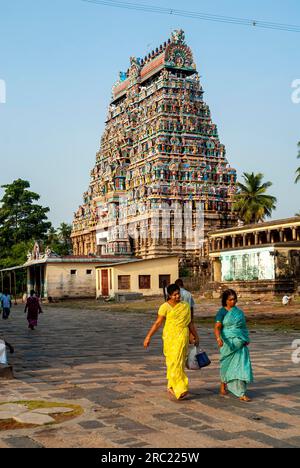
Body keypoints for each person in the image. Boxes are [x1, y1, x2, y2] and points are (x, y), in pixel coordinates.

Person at [143, 283, 199, 401]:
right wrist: (148, 337)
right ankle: (178, 387)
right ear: (169, 295)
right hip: (170, 337)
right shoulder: (164, 307)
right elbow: (158, 323)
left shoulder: (185, 306)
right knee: (173, 362)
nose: (178, 296)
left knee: (179, 362)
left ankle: (176, 387)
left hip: (182, 337)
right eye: (175, 295)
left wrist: (195, 335)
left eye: (178, 293)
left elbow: (190, 323)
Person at [214, 289, 254, 403]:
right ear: (225, 301)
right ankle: (223, 385)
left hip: (240, 342)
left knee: (241, 365)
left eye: (234, 299)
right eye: (230, 299)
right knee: (225, 364)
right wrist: (218, 338)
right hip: (227, 342)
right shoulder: (221, 312)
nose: (233, 301)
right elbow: (217, 327)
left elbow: (243, 327)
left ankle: (241, 392)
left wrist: (245, 338)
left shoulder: (239, 312)